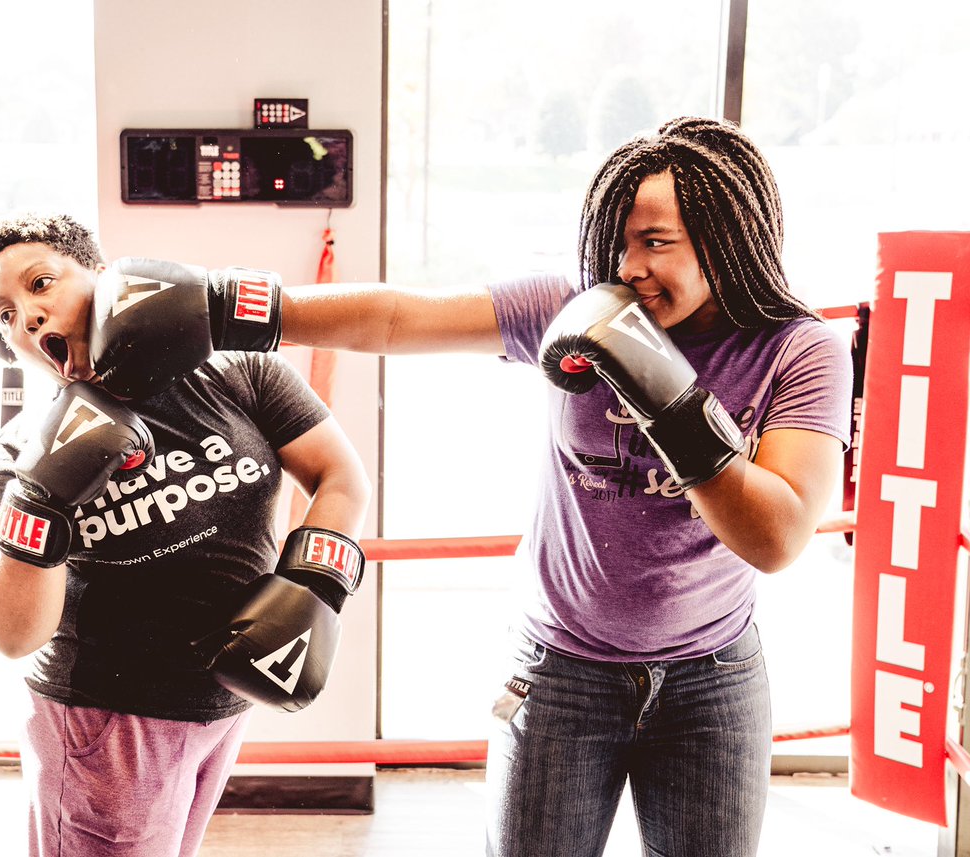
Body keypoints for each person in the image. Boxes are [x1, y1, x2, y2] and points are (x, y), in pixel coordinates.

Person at [261, 117, 853, 856]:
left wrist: (667, 398)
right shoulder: (576, 307)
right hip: (562, 670)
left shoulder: (799, 349)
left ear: (726, 236)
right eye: (620, 242)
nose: (630, 266)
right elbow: (397, 316)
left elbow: (779, 535)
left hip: (713, 680)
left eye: (656, 241)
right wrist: (231, 309)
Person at [0, 214, 371, 857]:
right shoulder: (17, 457)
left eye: (42, 284)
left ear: (101, 279)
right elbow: (14, 632)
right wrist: (42, 499)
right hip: (106, 719)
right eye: (5, 314)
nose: (29, 316)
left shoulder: (238, 375)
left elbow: (339, 474)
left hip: (224, 698)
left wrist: (310, 583)